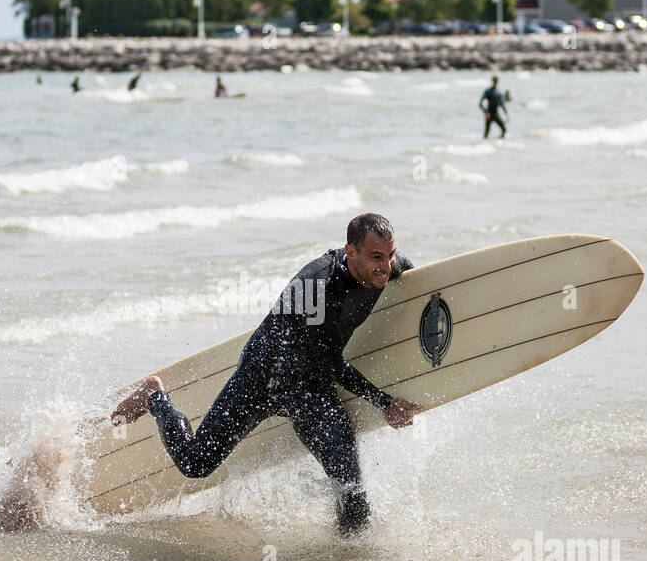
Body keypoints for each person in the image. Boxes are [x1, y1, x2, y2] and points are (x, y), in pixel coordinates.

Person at [111, 213, 421, 535]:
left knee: (353, 498)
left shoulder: (384, 269)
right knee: (195, 462)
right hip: (263, 377)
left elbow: (407, 271)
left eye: (390, 255)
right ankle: (153, 396)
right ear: (351, 251)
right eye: (376, 257)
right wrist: (383, 402)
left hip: (310, 390)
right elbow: (330, 363)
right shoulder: (317, 287)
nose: (385, 267)